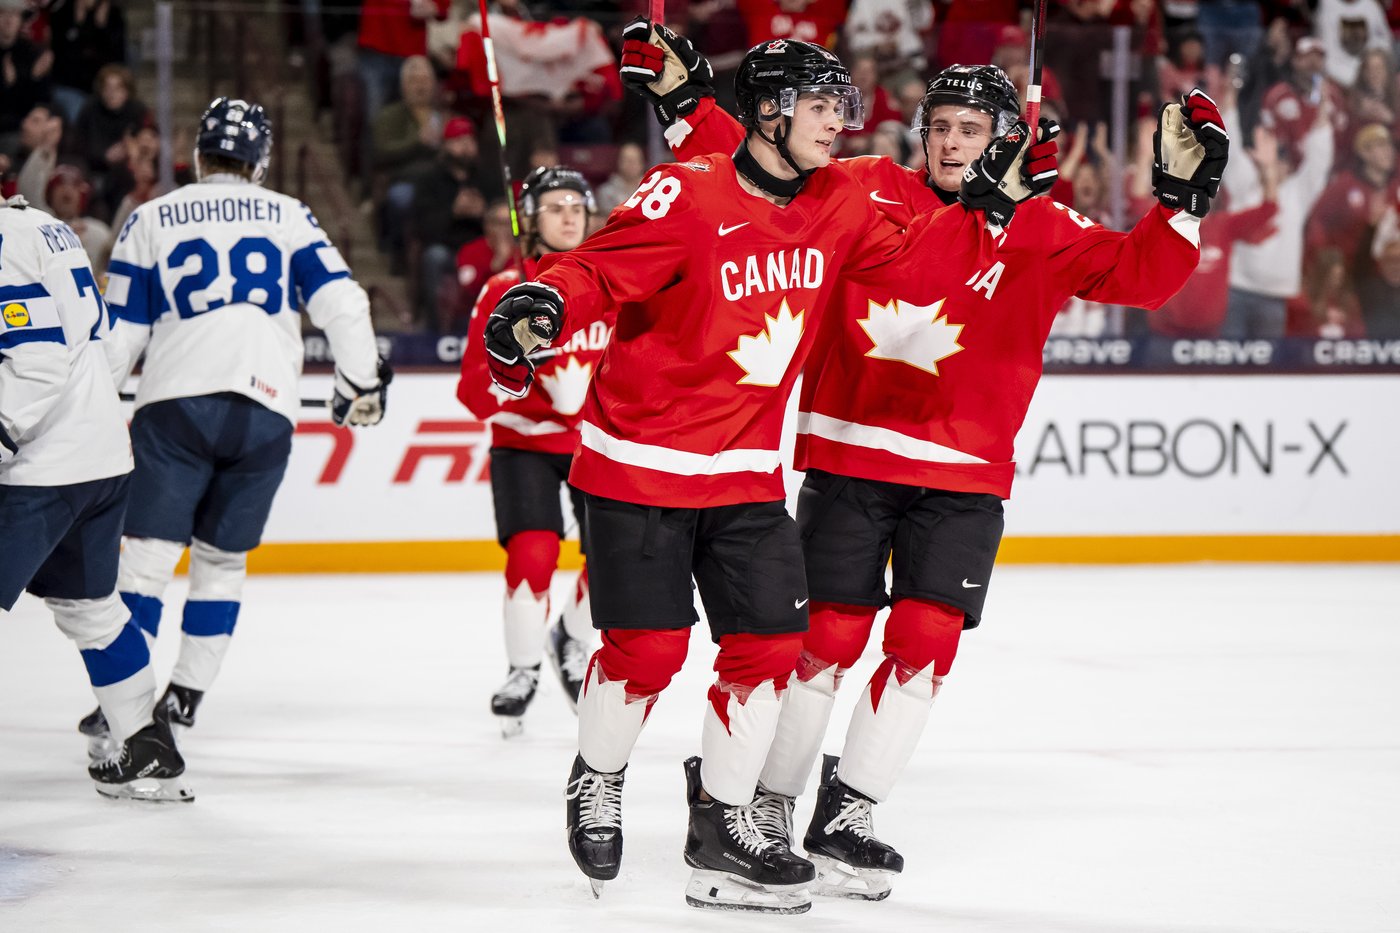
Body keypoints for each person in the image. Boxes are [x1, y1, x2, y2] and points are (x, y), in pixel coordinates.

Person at [627, 30, 1223, 900]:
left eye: (971, 129)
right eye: (938, 125)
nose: (949, 142)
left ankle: (849, 811)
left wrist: (1182, 201)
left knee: (925, 645)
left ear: (1008, 139)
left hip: (967, 475)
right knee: (825, 639)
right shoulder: (864, 186)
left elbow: (1143, 275)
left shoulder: (1043, 223)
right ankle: (763, 806)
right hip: (850, 457)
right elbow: (754, 169)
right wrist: (690, 108)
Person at [484, 34, 1042, 913]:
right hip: (640, 466)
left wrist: (986, 205)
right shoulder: (689, 192)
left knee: (774, 649)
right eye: (821, 106)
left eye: (841, 108)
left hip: (747, 475)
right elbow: (601, 268)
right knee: (649, 651)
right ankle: (597, 775)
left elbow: (923, 254)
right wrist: (549, 297)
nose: (840, 123)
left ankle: (723, 829)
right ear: (774, 112)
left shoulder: (840, 202)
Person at [77, 98, 390, 757]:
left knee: (149, 562)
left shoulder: (151, 216)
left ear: (198, 155)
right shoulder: (288, 215)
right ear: (262, 161)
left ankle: (123, 708)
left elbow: (121, 335)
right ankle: (187, 692)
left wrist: (88, 412)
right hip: (266, 411)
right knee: (221, 561)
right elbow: (345, 302)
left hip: (175, 405)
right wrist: (358, 382)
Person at [0, 193, 190, 802]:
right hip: (101, 455)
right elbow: (101, 346)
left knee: (92, 609)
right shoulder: (50, 228)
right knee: (91, 609)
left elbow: (36, 361)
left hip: (40, 466)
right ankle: (147, 744)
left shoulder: (5, 240)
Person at [456, 165, 605, 736]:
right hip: (523, 443)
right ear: (530, 220)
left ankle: (571, 634)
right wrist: (517, 369)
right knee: (533, 554)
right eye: (555, 207)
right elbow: (472, 390)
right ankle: (522, 670)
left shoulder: (607, 284)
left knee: (612, 561)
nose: (569, 216)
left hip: (595, 444)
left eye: (577, 206)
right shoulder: (502, 290)